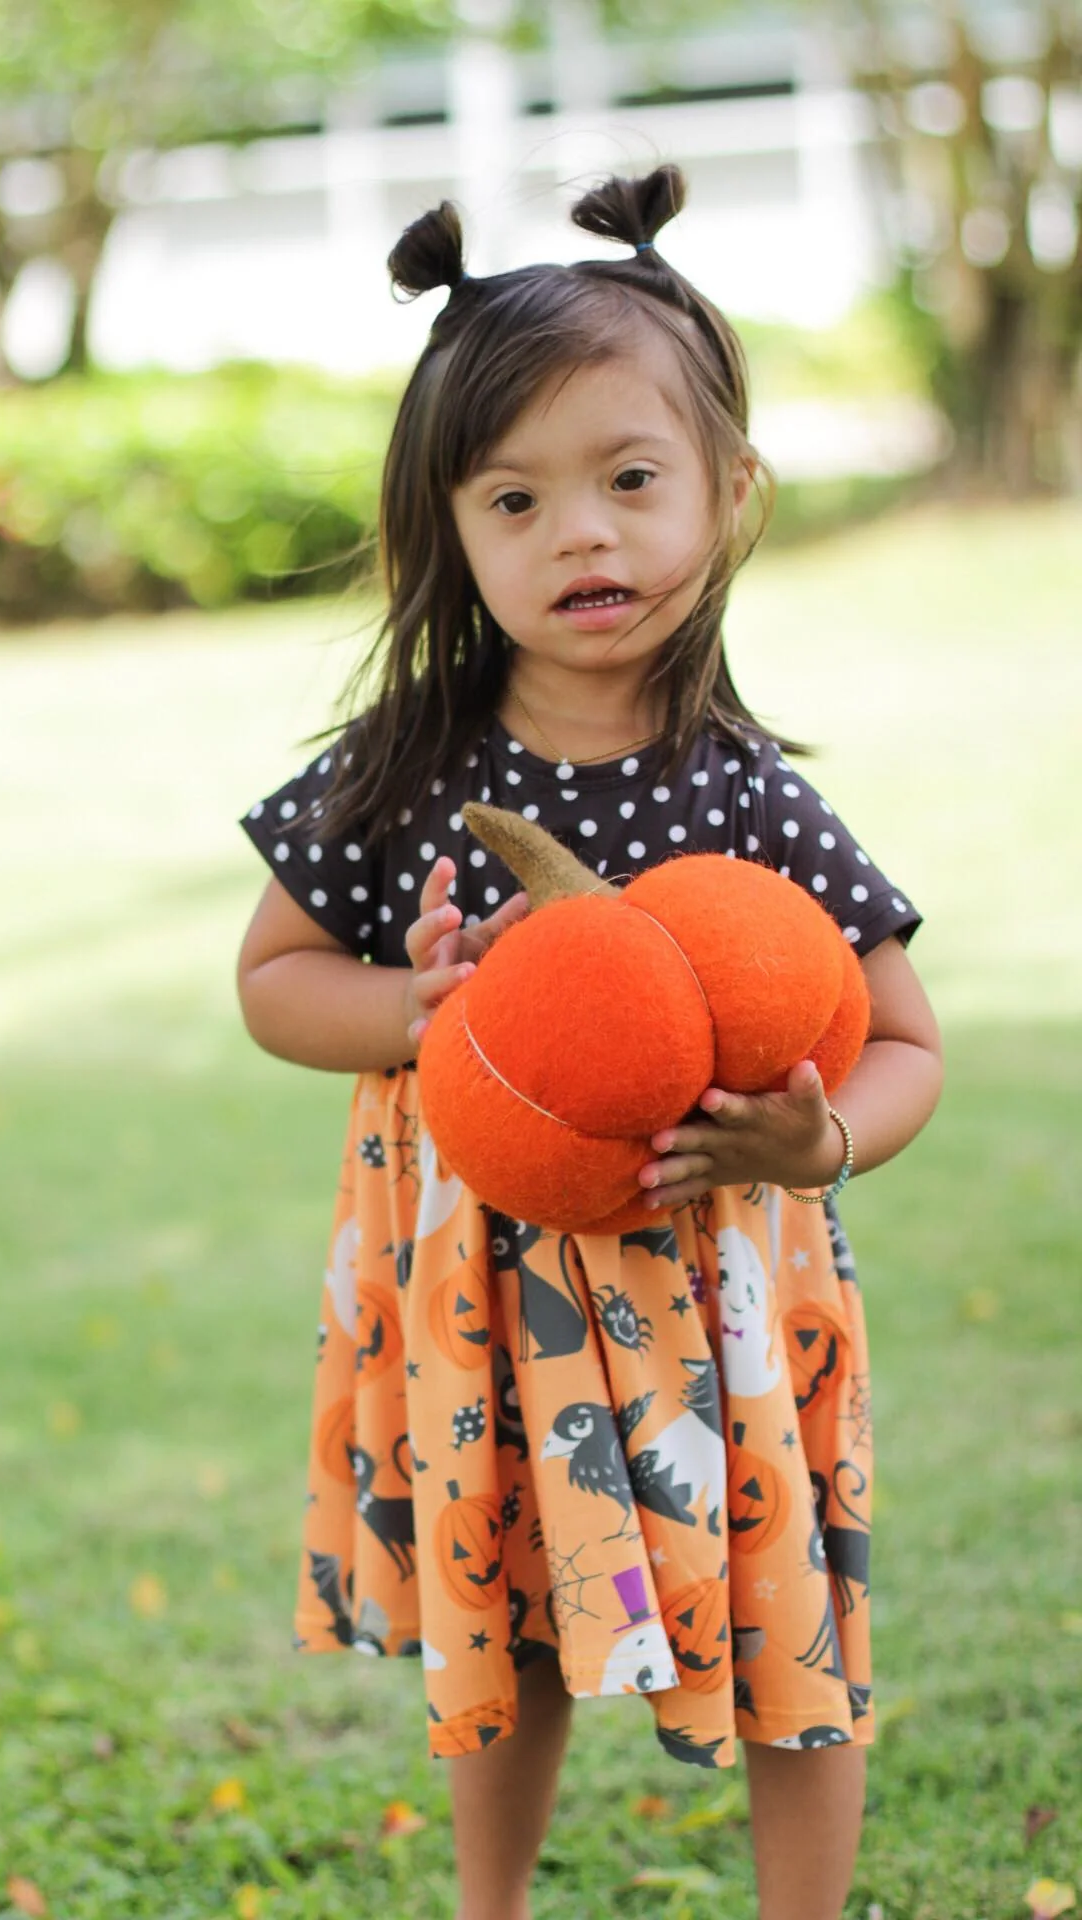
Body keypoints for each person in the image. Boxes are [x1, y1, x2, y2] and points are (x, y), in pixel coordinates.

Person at [236, 165, 943, 1920]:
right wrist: (417, 1008)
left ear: (729, 493)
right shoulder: (402, 767)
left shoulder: (748, 791)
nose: (584, 535)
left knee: (791, 1613)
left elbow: (907, 1043)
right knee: (511, 1620)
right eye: (517, 498)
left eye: (632, 481)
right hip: (481, 1278)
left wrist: (822, 1139)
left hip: (716, 1279)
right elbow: (272, 981)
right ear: (448, 532)